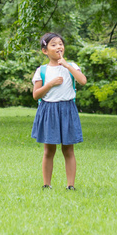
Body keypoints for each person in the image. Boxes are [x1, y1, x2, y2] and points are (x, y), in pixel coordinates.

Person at [31, 32, 87, 190]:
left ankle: (70, 185)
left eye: (61, 44)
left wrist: (67, 65)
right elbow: (36, 95)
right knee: (49, 150)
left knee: (68, 149)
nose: (58, 47)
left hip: (67, 109)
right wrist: (50, 84)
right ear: (45, 51)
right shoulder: (42, 70)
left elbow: (82, 81)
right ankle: (46, 184)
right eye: (53, 45)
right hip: (48, 110)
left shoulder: (72, 66)